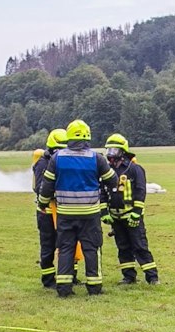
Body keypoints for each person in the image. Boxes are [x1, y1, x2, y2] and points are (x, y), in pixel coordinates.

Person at [39, 119, 118, 296]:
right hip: (90, 214)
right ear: (87, 137)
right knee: (91, 249)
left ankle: (64, 289)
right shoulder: (96, 158)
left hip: (65, 214)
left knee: (66, 249)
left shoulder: (56, 158)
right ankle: (94, 287)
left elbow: (47, 185)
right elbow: (112, 180)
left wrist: (43, 204)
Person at [103, 133, 157, 284]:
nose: (110, 154)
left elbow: (140, 191)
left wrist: (136, 213)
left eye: (114, 150)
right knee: (123, 247)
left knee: (140, 246)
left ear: (122, 152)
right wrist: (104, 212)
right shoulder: (106, 171)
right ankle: (128, 276)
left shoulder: (135, 169)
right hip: (115, 217)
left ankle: (152, 277)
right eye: (109, 150)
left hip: (131, 216)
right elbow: (101, 192)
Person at [31, 129, 65, 288]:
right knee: (48, 245)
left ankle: (70, 275)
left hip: (63, 211)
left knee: (67, 243)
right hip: (46, 212)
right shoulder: (42, 163)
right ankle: (48, 279)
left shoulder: (62, 161)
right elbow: (39, 187)